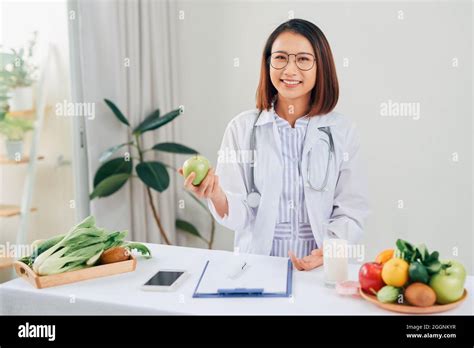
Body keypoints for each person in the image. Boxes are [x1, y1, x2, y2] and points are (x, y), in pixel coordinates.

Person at [179, 18, 370, 271]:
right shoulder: (242, 128)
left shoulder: (342, 131)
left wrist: (328, 252)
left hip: (321, 269)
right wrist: (216, 194)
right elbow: (239, 213)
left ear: (321, 66)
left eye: (303, 59)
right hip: (259, 268)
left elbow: (351, 209)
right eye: (280, 58)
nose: (289, 70)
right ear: (268, 63)